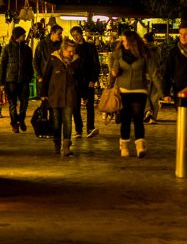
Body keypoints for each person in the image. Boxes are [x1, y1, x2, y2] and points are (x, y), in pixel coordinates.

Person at [110, 30, 160, 158]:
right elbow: (114, 70)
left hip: (139, 89)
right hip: (123, 90)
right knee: (125, 118)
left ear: (133, 41)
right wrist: (113, 76)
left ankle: (140, 145)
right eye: (123, 41)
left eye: (127, 41)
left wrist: (162, 92)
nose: (124, 43)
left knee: (138, 118)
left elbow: (153, 73)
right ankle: (124, 145)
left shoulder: (144, 54)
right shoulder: (118, 54)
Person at [43, 39, 82, 157]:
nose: (71, 54)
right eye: (69, 51)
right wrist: (43, 94)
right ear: (63, 50)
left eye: (73, 51)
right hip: (55, 95)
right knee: (56, 122)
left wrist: (82, 93)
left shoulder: (76, 61)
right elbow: (46, 76)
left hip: (70, 96)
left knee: (67, 122)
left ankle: (66, 147)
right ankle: (56, 144)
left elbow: (80, 78)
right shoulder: (53, 59)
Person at [0, 26, 34, 133]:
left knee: (24, 102)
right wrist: (0, 83)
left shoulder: (27, 49)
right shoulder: (7, 48)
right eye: (23, 34)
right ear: (17, 36)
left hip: (24, 80)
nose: (25, 36)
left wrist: (29, 76)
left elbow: (29, 65)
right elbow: (2, 66)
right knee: (12, 104)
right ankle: (14, 124)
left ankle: (21, 119)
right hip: (10, 81)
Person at [69, 26, 100, 138]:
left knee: (90, 106)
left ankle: (90, 127)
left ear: (81, 34)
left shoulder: (90, 47)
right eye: (73, 35)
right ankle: (78, 129)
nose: (75, 37)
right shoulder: (73, 48)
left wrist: (93, 79)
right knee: (75, 106)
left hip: (87, 80)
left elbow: (96, 64)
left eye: (77, 34)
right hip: (75, 80)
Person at [143, 32, 162, 124]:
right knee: (154, 97)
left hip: (145, 75)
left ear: (145, 40)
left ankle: (147, 111)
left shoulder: (142, 49)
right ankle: (153, 117)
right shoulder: (158, 49)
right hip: (156, 75)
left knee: (145, 95)